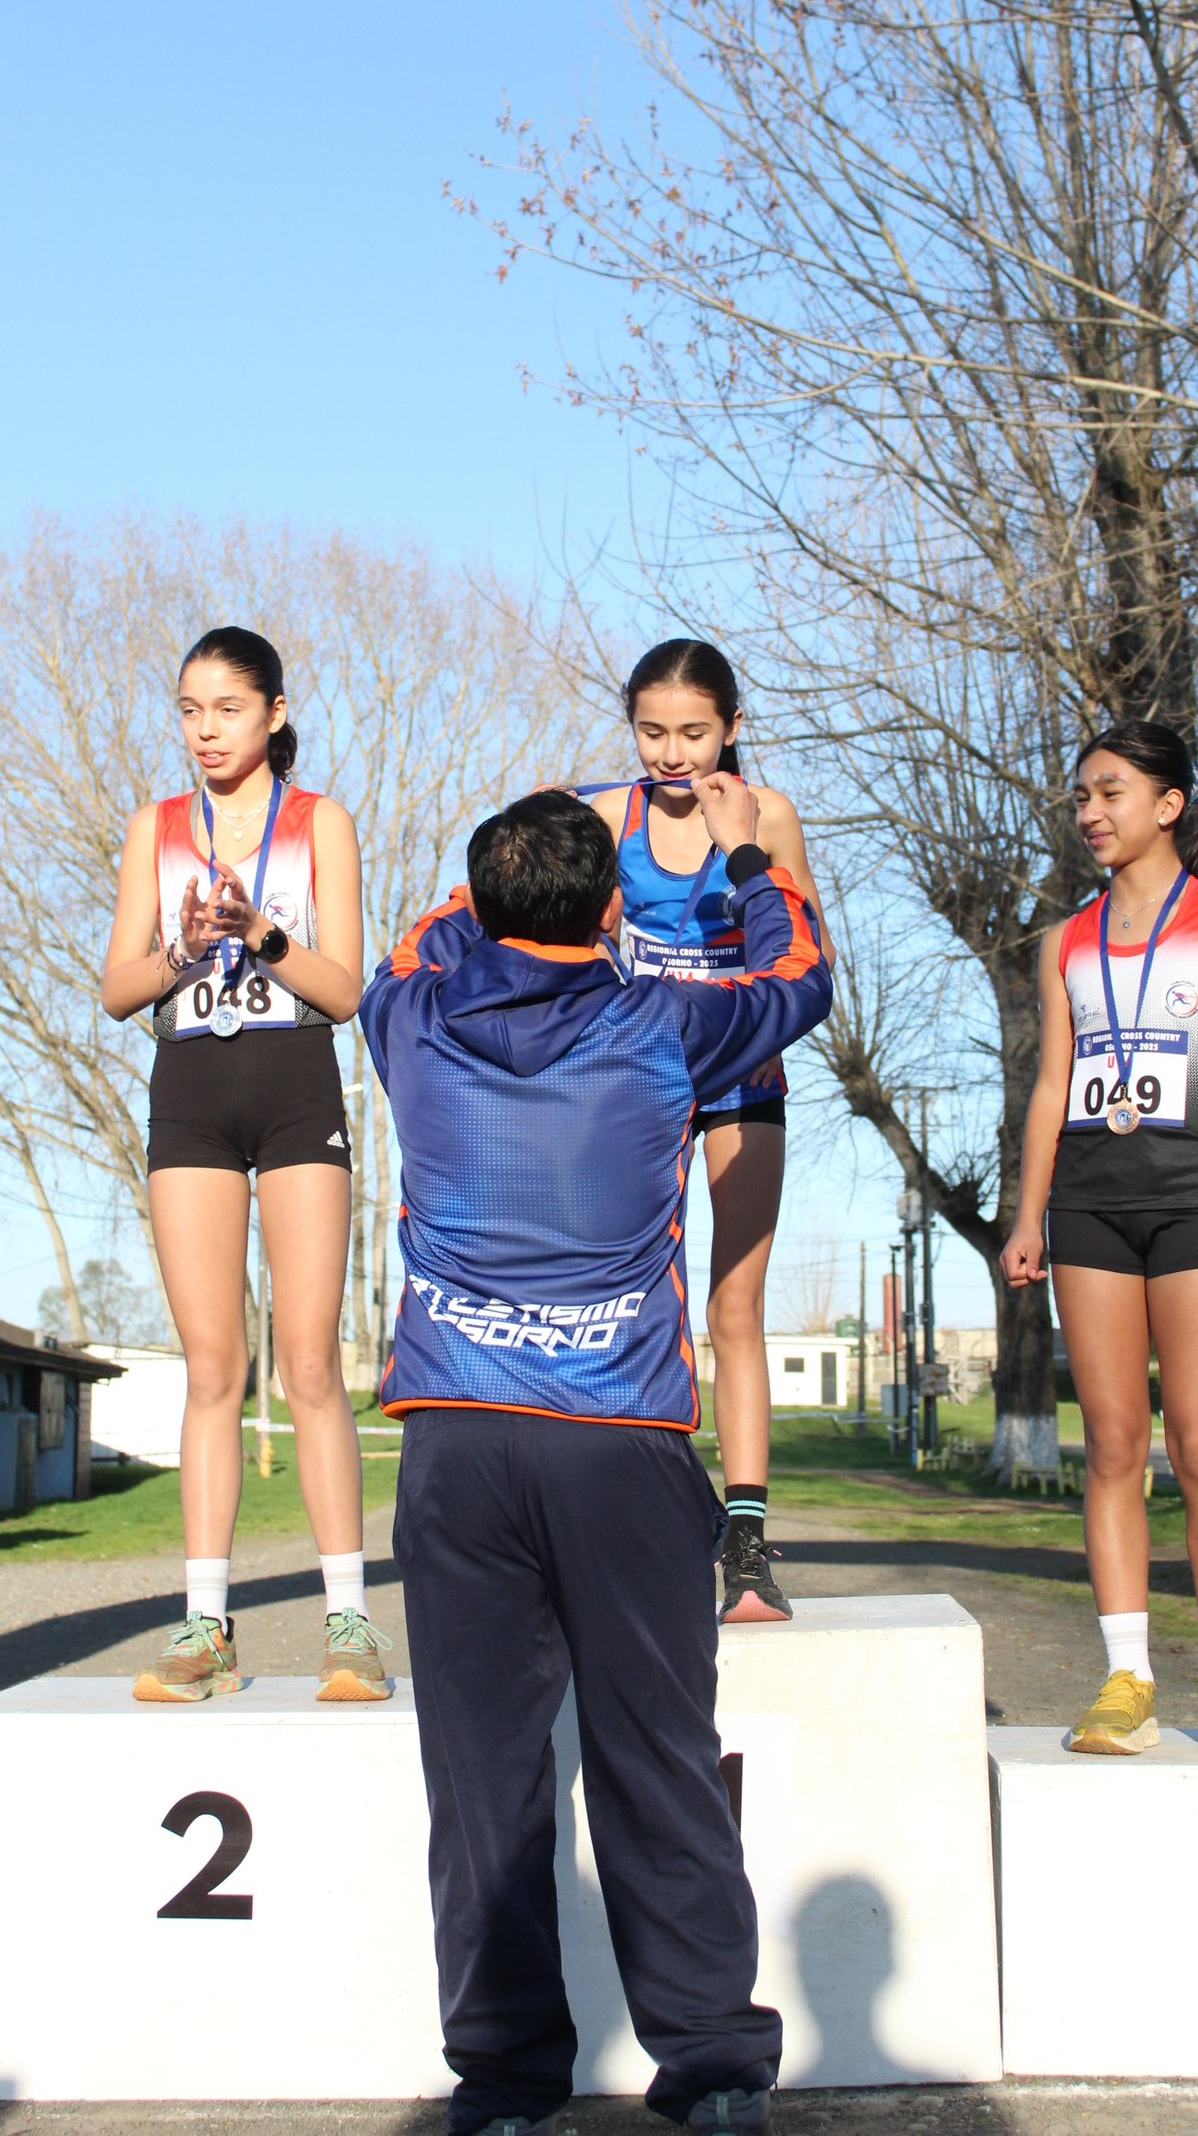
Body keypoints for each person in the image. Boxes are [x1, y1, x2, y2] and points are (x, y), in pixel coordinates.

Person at [360, 779, 832, 2136]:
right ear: (616, 909)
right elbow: (797, 972)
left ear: (487, 902)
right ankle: (716, 2070)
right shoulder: (668, 1022)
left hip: (456, 1443)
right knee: (657, 1758)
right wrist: (745, 856)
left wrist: (511, 869)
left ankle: (505, 2089)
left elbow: (425, 931)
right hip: (620, 1442)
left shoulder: (413, 1017)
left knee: (484, 1774)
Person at [1000, 721, 1198, 1760]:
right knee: (1110, 1447)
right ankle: (1124, 1677)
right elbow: (1052, 1084)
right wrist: (1025, 1216)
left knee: (1197, 1441)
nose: (1089, 812)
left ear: (1168, 804)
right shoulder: (1065, 940)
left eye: (1109, 792)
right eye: (1081, 796)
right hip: (1088, 1205)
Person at [101, 626, 390, 1704]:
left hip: (295, 1084)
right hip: (189, 1092)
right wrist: (183, 948)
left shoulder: (322, 824)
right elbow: (117, 988)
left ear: (274, 711)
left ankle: (349, 1624)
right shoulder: (154, 828)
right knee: (214, 1367)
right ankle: (204, 1627)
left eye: (225, 707)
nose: (204, 730)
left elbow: (348, 988)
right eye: (188, 709)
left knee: (309, 1365)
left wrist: (262, 933)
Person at [585, 639, 834, 1626]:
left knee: (735, 1306)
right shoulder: (609, 818)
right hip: (642, 1081)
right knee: (622, 1294)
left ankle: (745, 1542)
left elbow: (801, 950)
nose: (671, 754)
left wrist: (745, 849)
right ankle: (620, 1520)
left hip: (741, 1075)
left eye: (693, 732)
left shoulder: (768, 815)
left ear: (732, 727)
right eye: (651, 732)